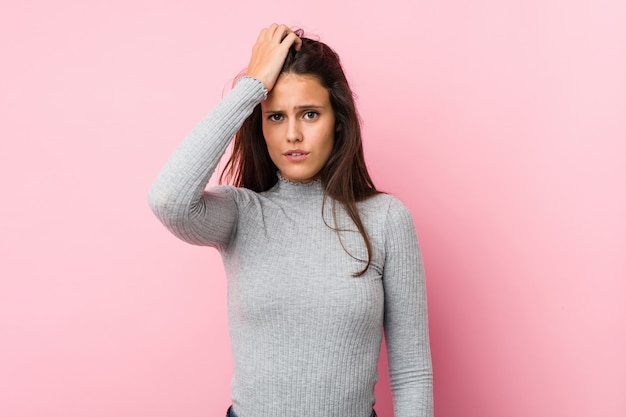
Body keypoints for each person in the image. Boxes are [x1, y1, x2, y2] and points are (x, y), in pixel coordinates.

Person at [149, 24, 433, 417]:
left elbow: (412, 372)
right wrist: (252, 87)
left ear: (338, 119)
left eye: (310, 114)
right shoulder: (241, 214)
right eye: (276, 117)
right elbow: (168, 200)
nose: (293, 134)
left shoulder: (385, 219)